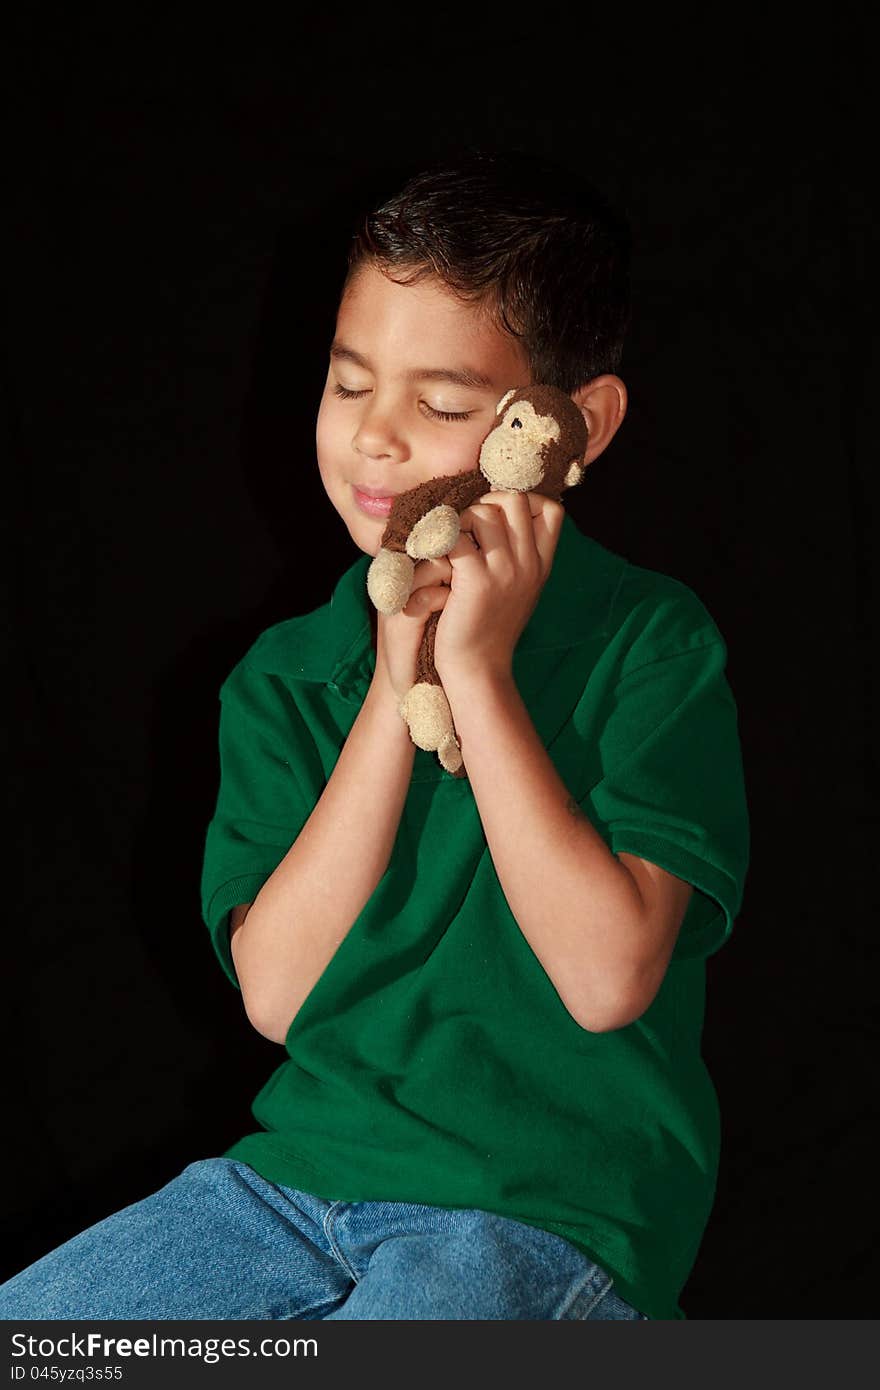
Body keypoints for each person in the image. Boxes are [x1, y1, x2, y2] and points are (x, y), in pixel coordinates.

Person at [0, 148, 749, 1322]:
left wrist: (480, 675)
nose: (377, 439)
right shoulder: (285, 677)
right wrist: (395, 685)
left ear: (576, 424)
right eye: (349, 385)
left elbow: (607, 979)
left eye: (443, 404)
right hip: (294, 1182)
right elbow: (282, 1000)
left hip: (546, 1204)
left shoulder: (647, 641)